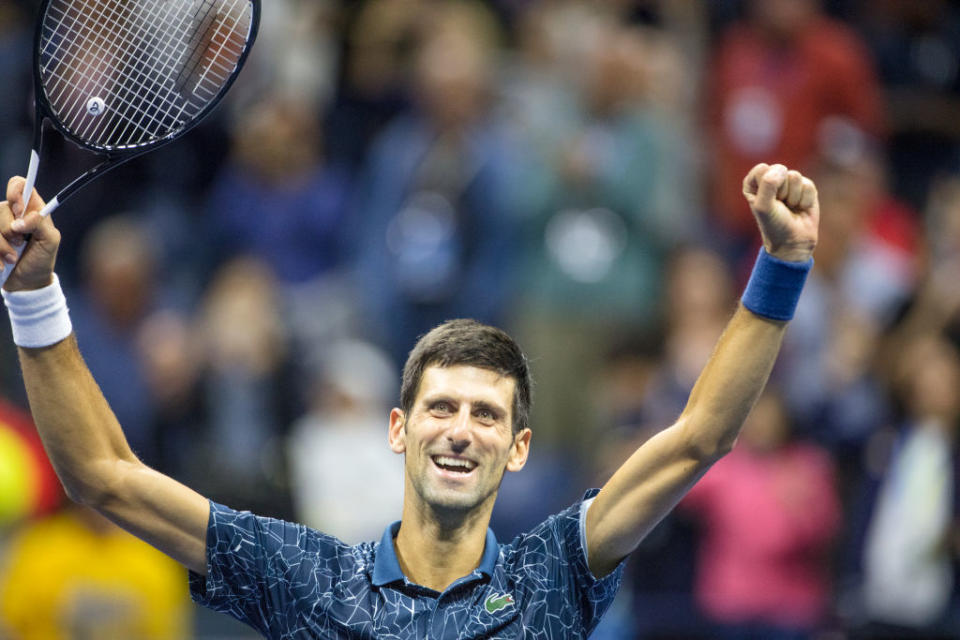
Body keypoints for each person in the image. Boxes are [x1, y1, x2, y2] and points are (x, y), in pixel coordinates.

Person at [0, 161, 819, 638]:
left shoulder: (555, 575)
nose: (461, 430)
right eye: (441, 407)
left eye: (487, 414)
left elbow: (698, 439)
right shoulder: (306, 576)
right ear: (398, 429)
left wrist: (781, 267)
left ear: (520, 449)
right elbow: (102, 473)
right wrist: (34, 294)